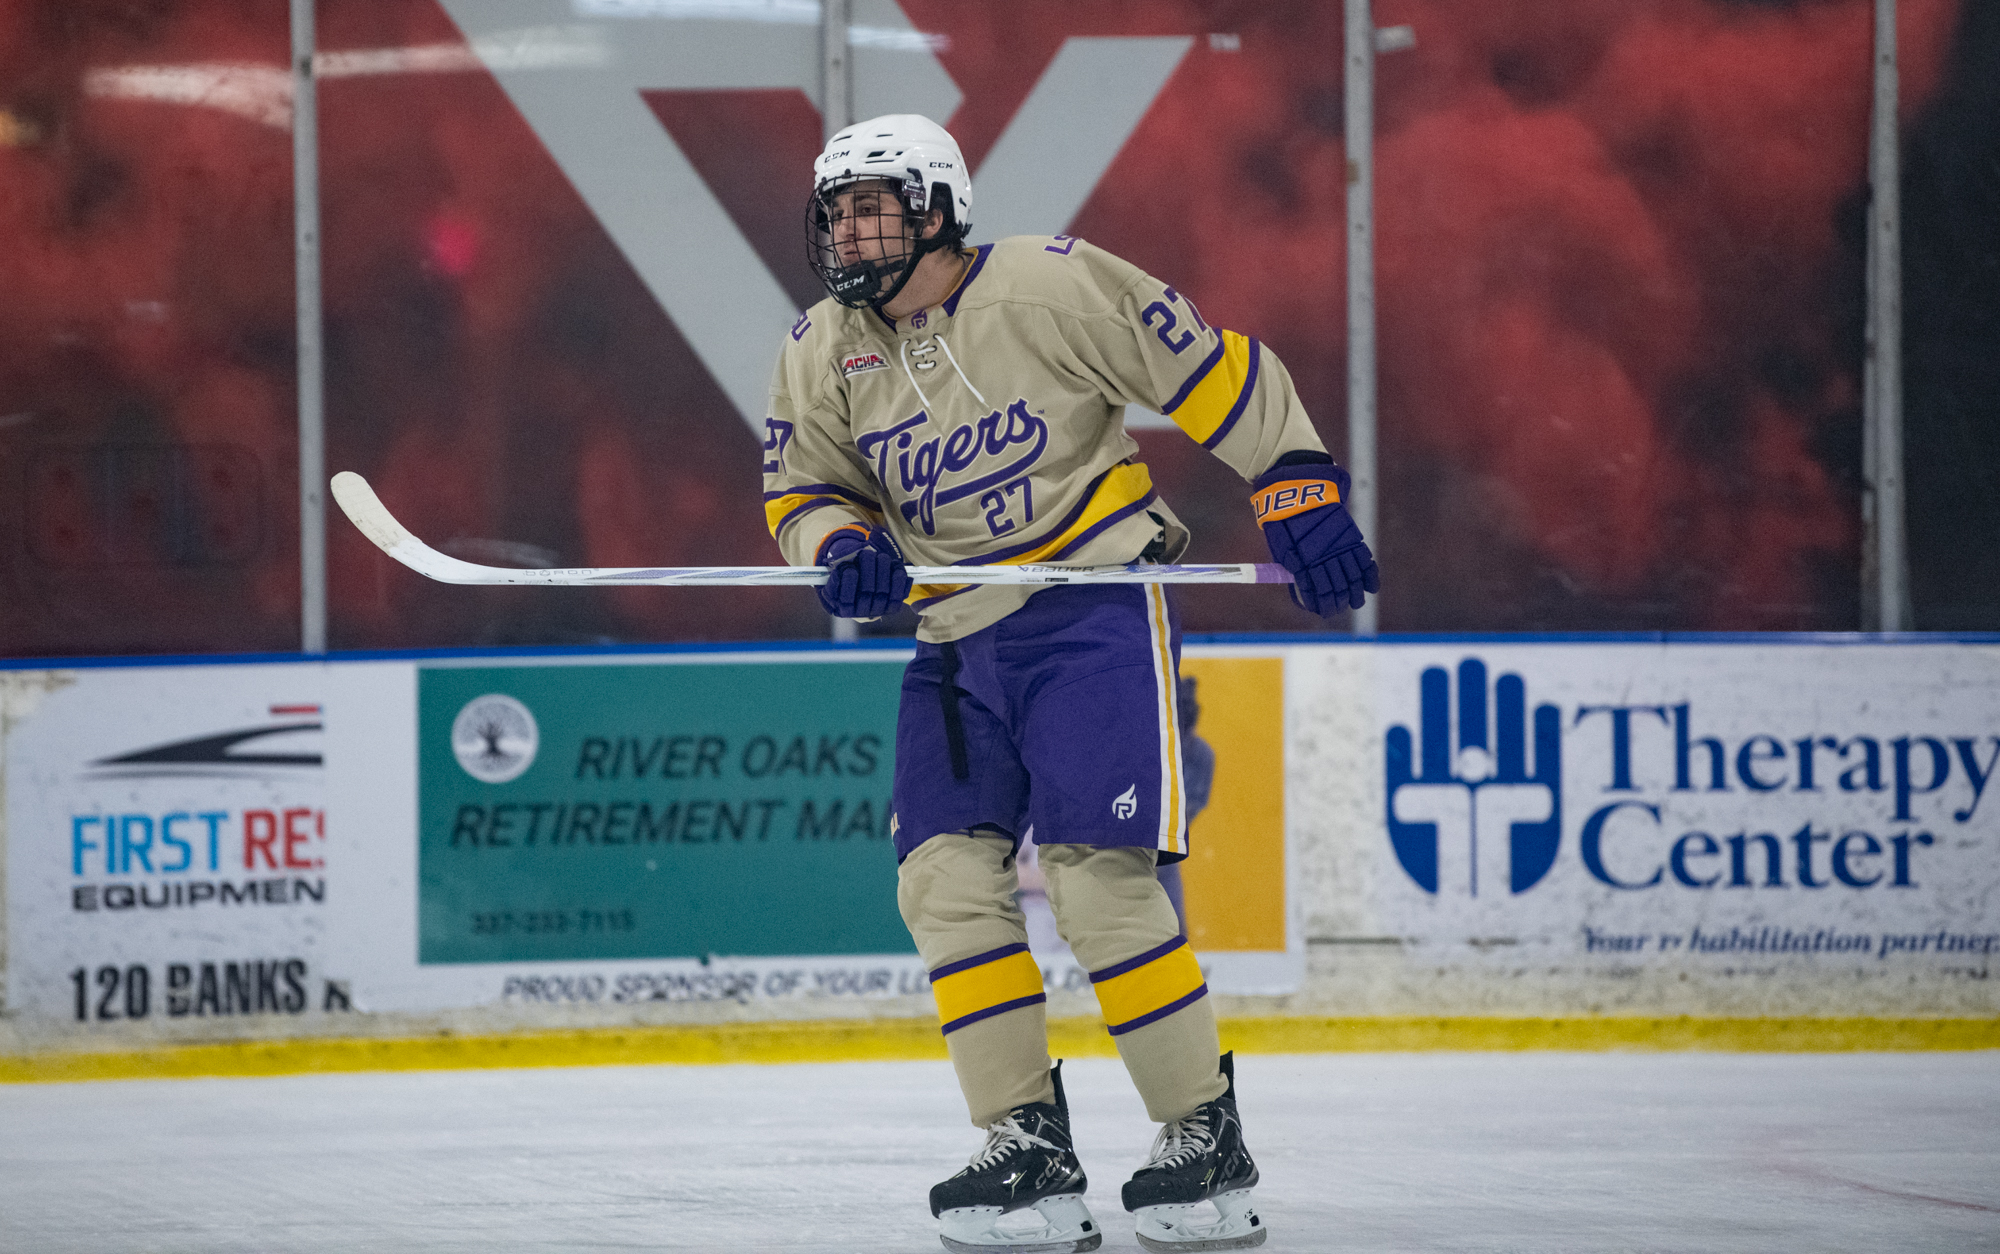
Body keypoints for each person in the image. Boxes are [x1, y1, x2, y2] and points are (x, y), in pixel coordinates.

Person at [761, 114, 1377, 1254]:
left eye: (871, 203)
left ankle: (1202, 1136)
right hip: (952, 639)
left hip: (1089, 609)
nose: (846, 229)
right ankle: (1025, 1146)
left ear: (938, 206)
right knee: (941, 885)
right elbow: (805, 486)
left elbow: (1208, 368)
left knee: (1097, 882)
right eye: (834, 209)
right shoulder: (818, 348)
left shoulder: (1049, 285)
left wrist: (1294, 485)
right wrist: (837, 546)